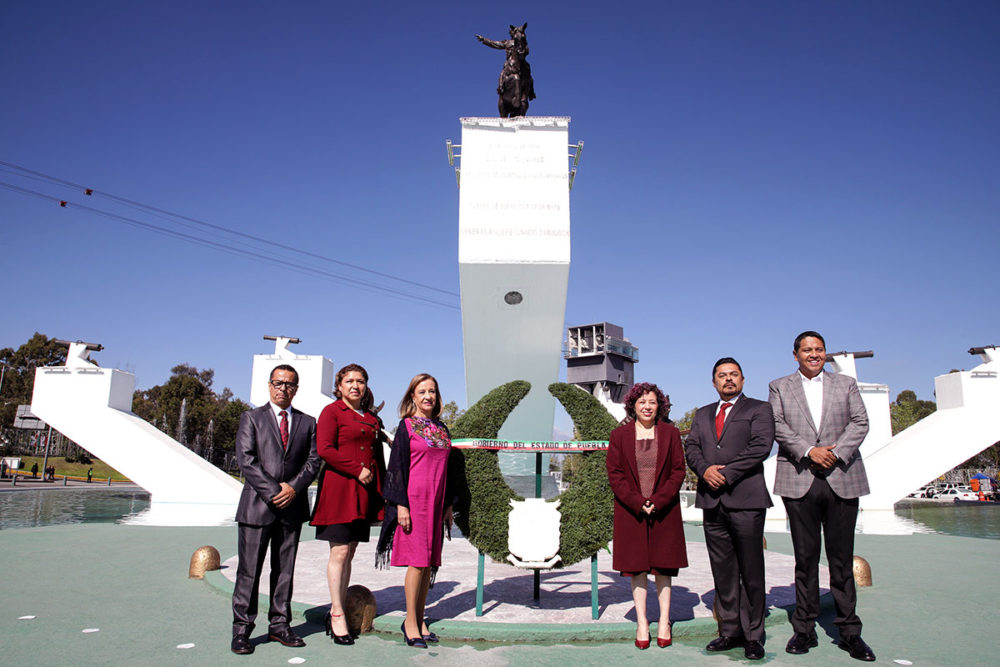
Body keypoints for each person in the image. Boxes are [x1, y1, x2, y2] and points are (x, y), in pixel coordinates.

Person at [770, 331, 875, 662]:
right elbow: (777, 424)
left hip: (842, 476)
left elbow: (860, 422)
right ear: (795, 354)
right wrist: (809, 451)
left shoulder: (845, 385)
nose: (813, 354)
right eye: (806, 350)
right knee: (805, 558)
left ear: (825, 353)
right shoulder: (779, 386)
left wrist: (835, 453)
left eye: (818, 349)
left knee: (842, 560)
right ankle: (804, 629)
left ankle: (849, 632)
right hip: (800, 477)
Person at [684, 358, 774, 661]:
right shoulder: (703, 414)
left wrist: (727, 472)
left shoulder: (759, 409)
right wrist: (705, 469)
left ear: (743, 379)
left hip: (746, 499)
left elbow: (761, 446)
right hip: (712, 501)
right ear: (713, 382)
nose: (728, 380)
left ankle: (753, 635)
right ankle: (729, 631)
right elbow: (692, 448)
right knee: (722, 570)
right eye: (722, 376)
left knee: (751, 568)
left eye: (733, 375)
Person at [231, 364, 320, 656]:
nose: (284, 388)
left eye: (290, 384)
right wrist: (274, 491)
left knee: (284, 572)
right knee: (249, 572)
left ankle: (280, 625)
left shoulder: (308, 423)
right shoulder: (251, 418)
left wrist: (293, 488)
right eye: (279, 383)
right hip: (257, 508)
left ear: (296, 388)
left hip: (292, 509)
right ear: (270, 385)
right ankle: (242, 630)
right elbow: (246, 460)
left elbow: (313, 461)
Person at [377, 373, 457, 649]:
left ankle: (420, 618)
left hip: (436, 504)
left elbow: (449, 471)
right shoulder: (406, 427)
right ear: (412, 396)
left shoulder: (442, 430)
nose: (428, 396)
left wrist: (448, 505)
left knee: (429, 563)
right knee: (417, 562)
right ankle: (410, 622)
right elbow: (396, 468)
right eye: (422, 391)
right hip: (414, 503)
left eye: (432, 391)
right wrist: (401, 505)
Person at [605, 382, 688, 650]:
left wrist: (659, 501)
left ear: (659, 405)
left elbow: (678, 471)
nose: (647, 407)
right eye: (641, 402)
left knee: (664, 567)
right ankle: (642, 621)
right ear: (633, 405)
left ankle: (664, 620)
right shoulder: (619, 435)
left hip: (665, 511)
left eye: (652, 402)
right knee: (636, 567)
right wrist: (639, 502)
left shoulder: (671, 433)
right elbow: (615, 475)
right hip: (632, 512)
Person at [310, 364, 385, 646]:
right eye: (350, 381)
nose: (355, 385)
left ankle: (338, 605)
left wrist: (384, 490)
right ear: (339, 386)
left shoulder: (370, 418)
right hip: (340, 490)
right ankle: (337, 613)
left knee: (350, 551)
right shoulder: (331, 412)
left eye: (361, 381)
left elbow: (378, 456)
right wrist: (356, 469)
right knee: (339, 551)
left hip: (363, 493)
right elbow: (325, 449)